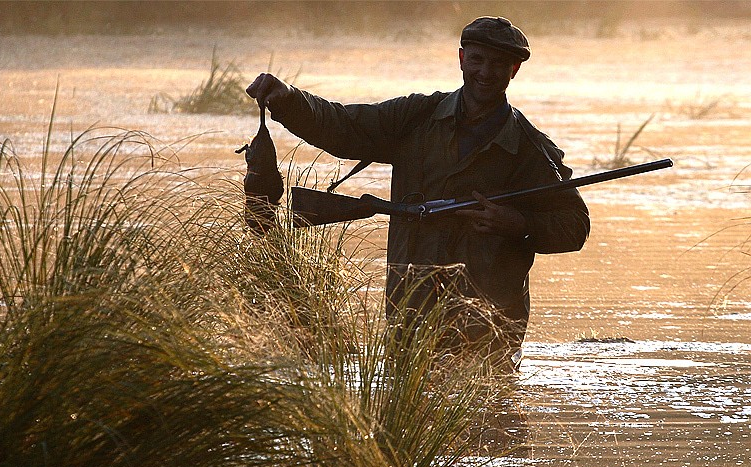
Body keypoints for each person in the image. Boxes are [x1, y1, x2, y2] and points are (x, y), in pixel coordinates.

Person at [246, 16, 590, 368]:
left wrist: (518, 224)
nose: (486, 72)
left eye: (499, 63)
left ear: (514, 69)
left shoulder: (530, 147)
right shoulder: (415, 116)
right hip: (411, 312)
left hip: (490, 324)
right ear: (460, 59)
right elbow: (343, 127)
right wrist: (288, 99)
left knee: (489, 418)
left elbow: (575, 225)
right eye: (477, 60)